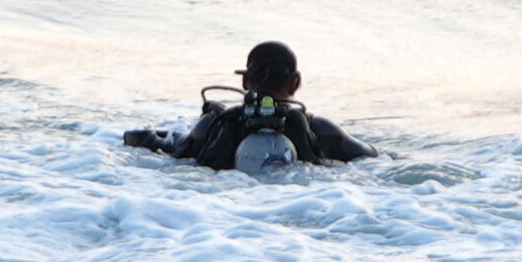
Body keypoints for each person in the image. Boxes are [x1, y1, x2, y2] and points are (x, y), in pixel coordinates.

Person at [127, 41, 373, 173]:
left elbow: (150, 141)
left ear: (245, 81)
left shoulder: (215, 125)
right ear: (296, 83)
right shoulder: (321, 131)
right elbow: (374, 159)